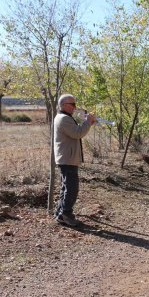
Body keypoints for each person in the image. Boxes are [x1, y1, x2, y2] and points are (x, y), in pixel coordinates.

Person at [54, 94, 96, 227]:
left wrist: (88, 123)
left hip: (67, 157)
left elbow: (77, 131)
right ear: (64, 105)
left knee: (66, 187)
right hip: (67, 158)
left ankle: (60, 214)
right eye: (72, 104)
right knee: (72, 188)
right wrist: (88, 121)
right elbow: (78, 133)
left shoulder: (65, 118)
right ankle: (66, 214)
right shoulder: (63, 119)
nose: (75, 107)